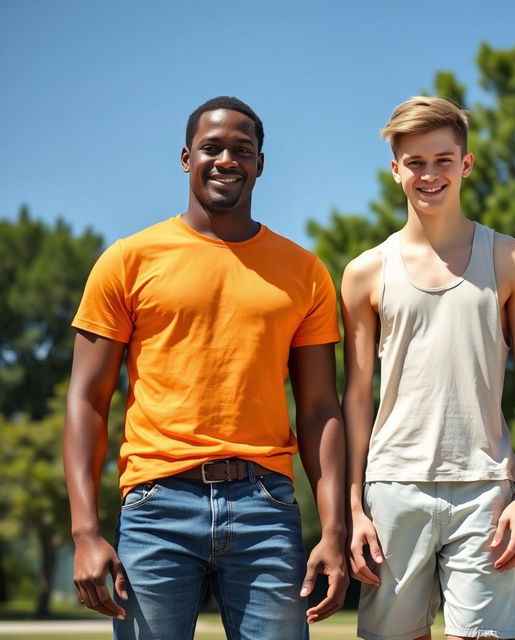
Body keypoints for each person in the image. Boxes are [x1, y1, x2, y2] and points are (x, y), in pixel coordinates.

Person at [64, 96, 348, 640]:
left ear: (260, 163)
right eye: (211, 147)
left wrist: (332, 529)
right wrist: (84, 531)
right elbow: (86, 400)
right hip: (155, 507)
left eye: (242, 149)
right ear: (185, 157)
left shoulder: (305, 272)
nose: (226, 160)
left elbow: (319, 408)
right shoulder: (128, 260)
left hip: (266, 508)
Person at [341, 96, 515, 640]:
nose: (429, 174)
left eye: (442, 160)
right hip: (391, 487)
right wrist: (353, 509)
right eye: (415, 162)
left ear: (466, 163)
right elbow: (357, 396)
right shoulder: (365, 272)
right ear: (395, 170)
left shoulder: (512, 259)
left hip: (486, 489)